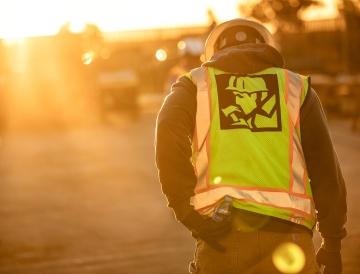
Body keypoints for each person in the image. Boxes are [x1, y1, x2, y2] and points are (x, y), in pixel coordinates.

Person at [155, 18, 347, 274]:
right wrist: (332, 243)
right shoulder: (295, 87)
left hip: (222, 239)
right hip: (289, 242)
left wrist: (186, 212)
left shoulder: (194, 85)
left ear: (214, 53)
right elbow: (325, 170)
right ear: (267, 46)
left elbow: (167, 134)